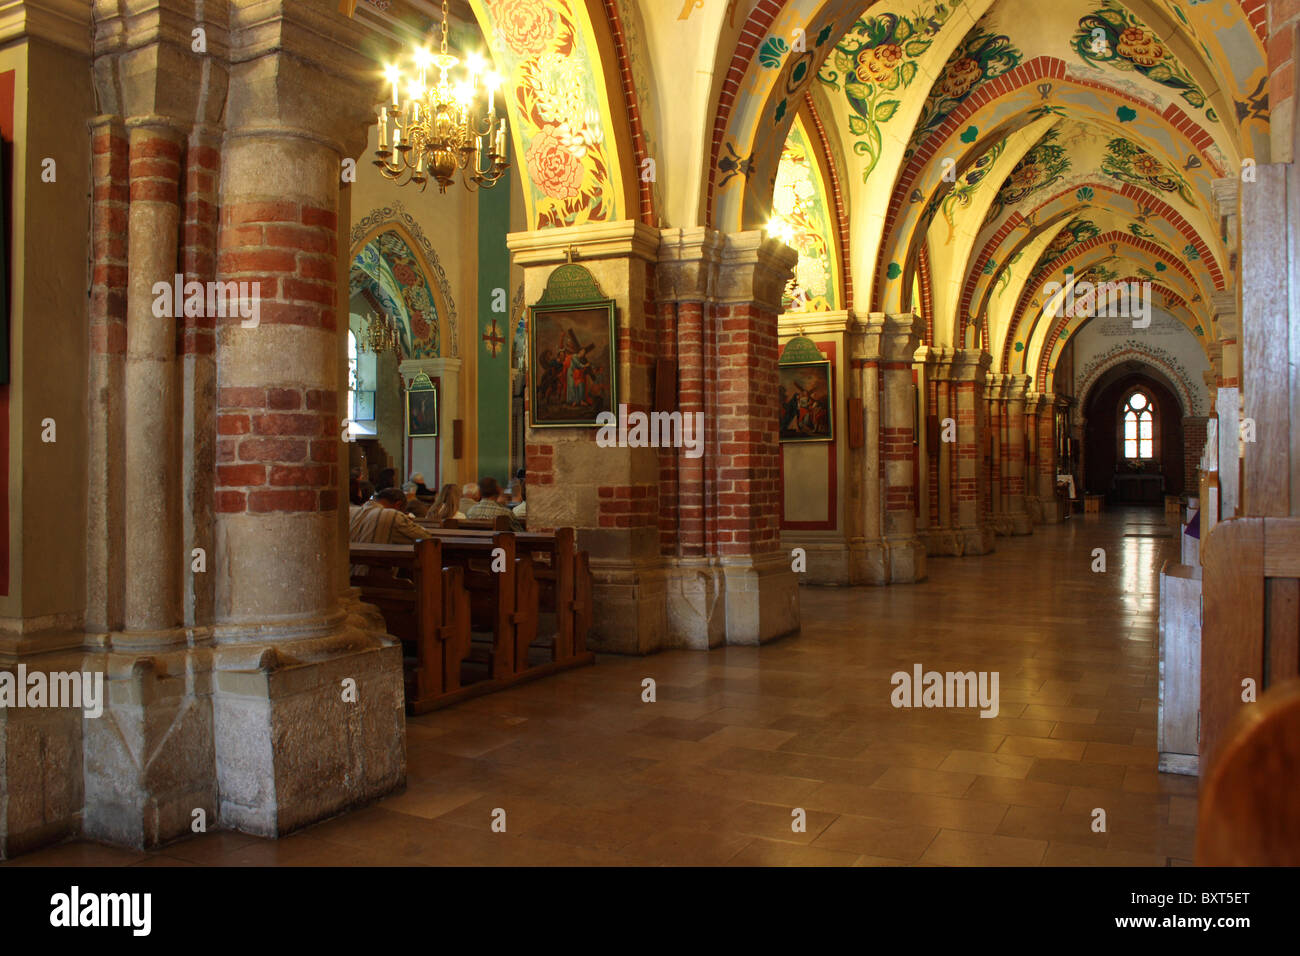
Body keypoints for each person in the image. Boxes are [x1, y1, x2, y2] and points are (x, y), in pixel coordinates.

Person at [349, 487, 426, 577]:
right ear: (398, 505)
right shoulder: (393, 515)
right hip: (370, 579)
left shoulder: (351, 511)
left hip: (345, 577)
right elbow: (425, 538)